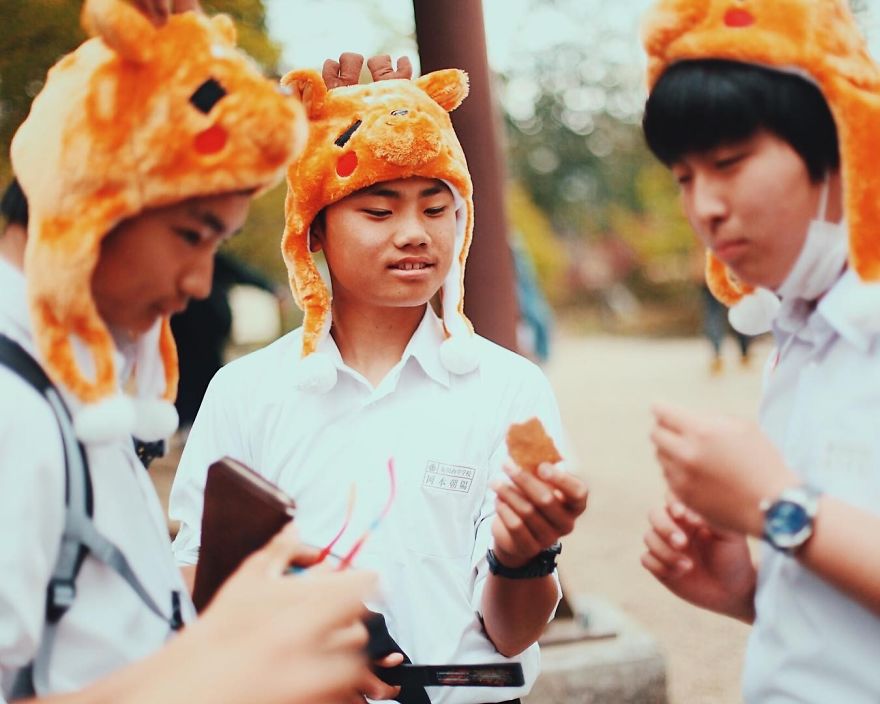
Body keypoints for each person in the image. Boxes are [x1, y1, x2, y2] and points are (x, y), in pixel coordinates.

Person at [169, 62, 588, 704]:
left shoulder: (509, 389)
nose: (414, 234)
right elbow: (199, 579)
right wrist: (297, 656)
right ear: (315, 228)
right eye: (378, 209)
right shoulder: (245, 391)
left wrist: (525, 554)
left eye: (437, 208)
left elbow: (510, 634)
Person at [0, 1, 376, 702]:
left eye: (218, 245)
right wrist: (213, 677)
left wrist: (235, 611)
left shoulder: (67, 380)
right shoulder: (11, 409)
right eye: (192, 234)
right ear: (90, 196)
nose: (199, 284)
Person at [638, 1, 880, 702]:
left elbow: (793, 512)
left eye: (729, 161)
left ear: (840, 145)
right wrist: (747, 592)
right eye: (683, 176)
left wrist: (779, 506)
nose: (704, 206)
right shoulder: (798, 337)